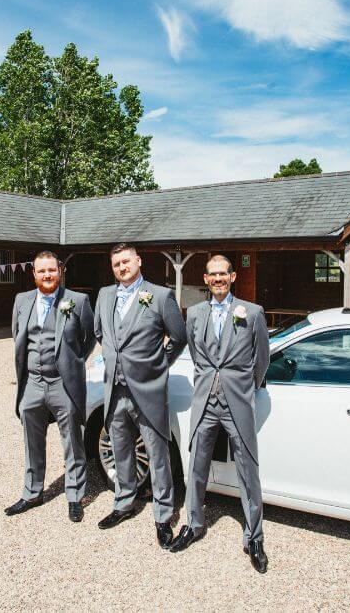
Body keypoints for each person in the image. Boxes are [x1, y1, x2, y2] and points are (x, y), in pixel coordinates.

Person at [168, 254, 270, 573]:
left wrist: (243, 386)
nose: (217, 279)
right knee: (196, 466)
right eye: (212, 275)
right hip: (205, 402)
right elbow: (199, 356)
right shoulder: (195, 313)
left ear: (233, 277)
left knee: (248, 468)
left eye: (222, 274)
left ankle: (254, 536)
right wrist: (209, 381)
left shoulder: (252, 312)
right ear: (206, 278)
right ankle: (193, 524)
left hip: (237, 400)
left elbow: (261, 359)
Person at [93, 243, 187, 548]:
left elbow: (179, 336)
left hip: (148, 389)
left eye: (126, 261)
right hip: (114, 389)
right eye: (117, 264)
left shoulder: (160, 296)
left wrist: (158, 364)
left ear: (138, 261)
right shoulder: (105, 295)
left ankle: (163, 515)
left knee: (158, 454)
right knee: (121, 449)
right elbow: (100, 333)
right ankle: (124, 502)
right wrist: (113, 357)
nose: (122, 267)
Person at [5, 251, 95, 522]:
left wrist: (72, 362)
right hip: (32, 382)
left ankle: (75, 496)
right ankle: (32, 492)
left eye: (52, 270)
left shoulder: (78, 301)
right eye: (42, 271)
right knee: (31, 441)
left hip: (62, 383)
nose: (47, 275)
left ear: (60, 272)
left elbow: (88, 339)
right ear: (34, 274)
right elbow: (17, 336)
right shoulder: (22, 300)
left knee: (73, 441)